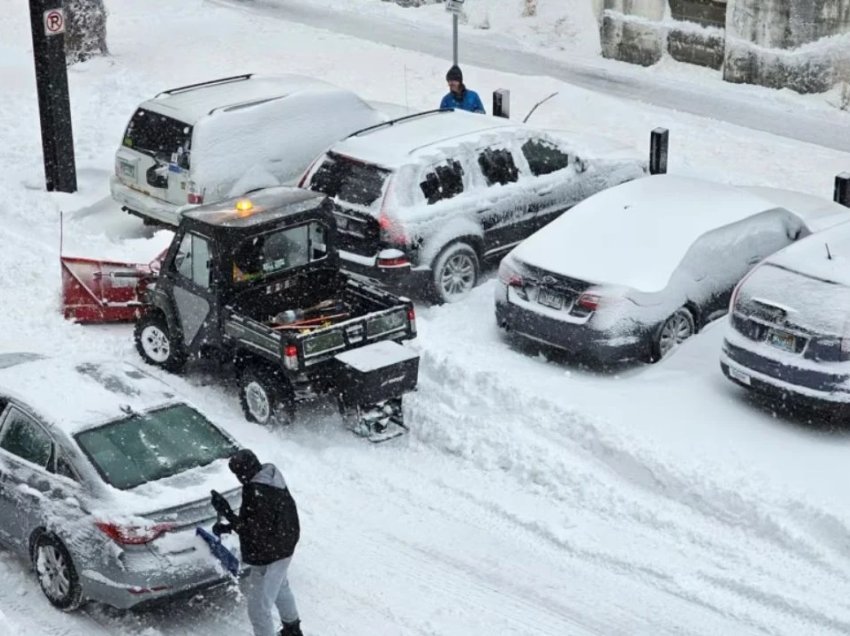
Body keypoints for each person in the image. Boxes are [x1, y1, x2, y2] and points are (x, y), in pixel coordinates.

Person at [211, 449, 302, 636]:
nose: (238, 478)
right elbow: (259, 523)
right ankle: (292, 630)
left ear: (245, 472)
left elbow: (254, 531)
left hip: (270, 554)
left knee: (259, 610)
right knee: (280, 586)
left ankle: (290, 631)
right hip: (283, 545)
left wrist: (227, 513)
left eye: (238, 474)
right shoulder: (269, 478)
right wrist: (228, 527)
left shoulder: (258, 492)